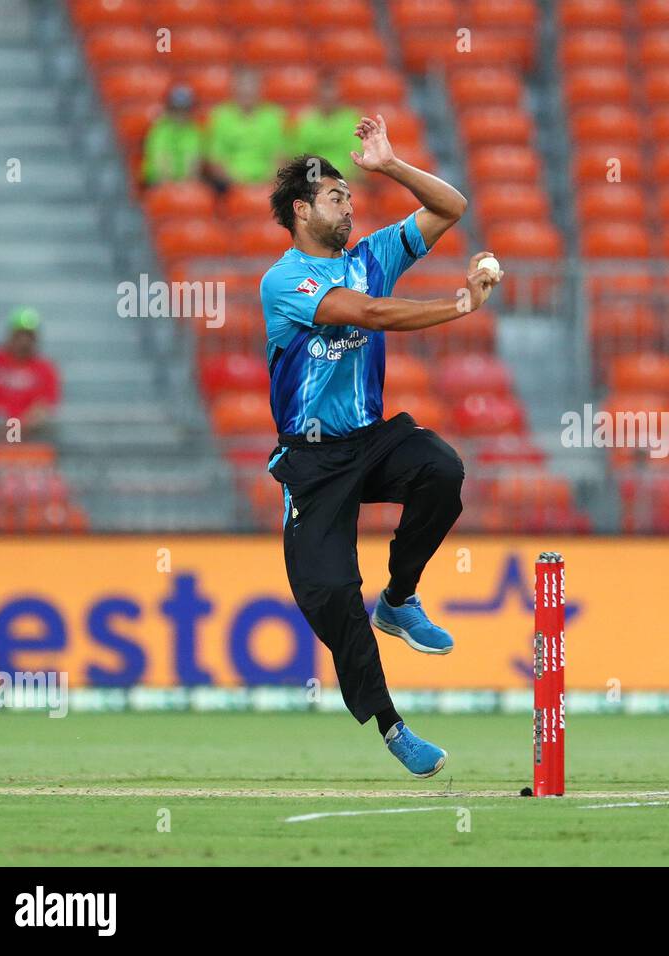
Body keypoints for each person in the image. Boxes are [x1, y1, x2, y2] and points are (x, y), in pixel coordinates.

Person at [260, 115, 501, 778]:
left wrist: (390, 163)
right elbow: (363, 314)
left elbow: (451, 207)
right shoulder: (284, 281)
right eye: (338, 197)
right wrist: (458, 306)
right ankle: (392, 726)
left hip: (368, 438)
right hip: (312, 462)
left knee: (441, 468)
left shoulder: (372, 255)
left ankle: (398, 598)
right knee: (334, 597)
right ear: (304, 210)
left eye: (350, 196)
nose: (351, 205)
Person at [0, 307, 60, 439]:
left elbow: (43, 408)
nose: (24, 341)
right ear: (10, 334)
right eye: (19, 335)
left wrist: (15, 431)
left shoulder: (45, 369)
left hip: (26, 438)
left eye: (29, 335)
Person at [206, 68, 288, 187]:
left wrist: (265, 183)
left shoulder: (275, 116)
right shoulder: (220, 117)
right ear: (233, 89)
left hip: (268, 185)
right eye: (242, 87)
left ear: (260, 89)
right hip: (230, 185)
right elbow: (216, 161)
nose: (247, 91)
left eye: (251, 87)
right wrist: (239, 184)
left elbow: (280, 157)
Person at [292, 75, 359, 181]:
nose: (328, 101)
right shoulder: (305, 121)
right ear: (317, 97)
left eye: (331, 97)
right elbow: (300, 157)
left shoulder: (351, 120)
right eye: (324, 97)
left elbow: (356, 157)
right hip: (313, 181)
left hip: (346, 180)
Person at [142, 84, 205, 186]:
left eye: (185, 109)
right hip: (158, 182)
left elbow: (193, 164)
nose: (180, 113)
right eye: (176, 109)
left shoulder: (193, 131)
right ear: (169, 109)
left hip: (185, 184)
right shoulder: (160, 130)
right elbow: (161, 164)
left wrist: (187, 184)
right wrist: (173, 188)